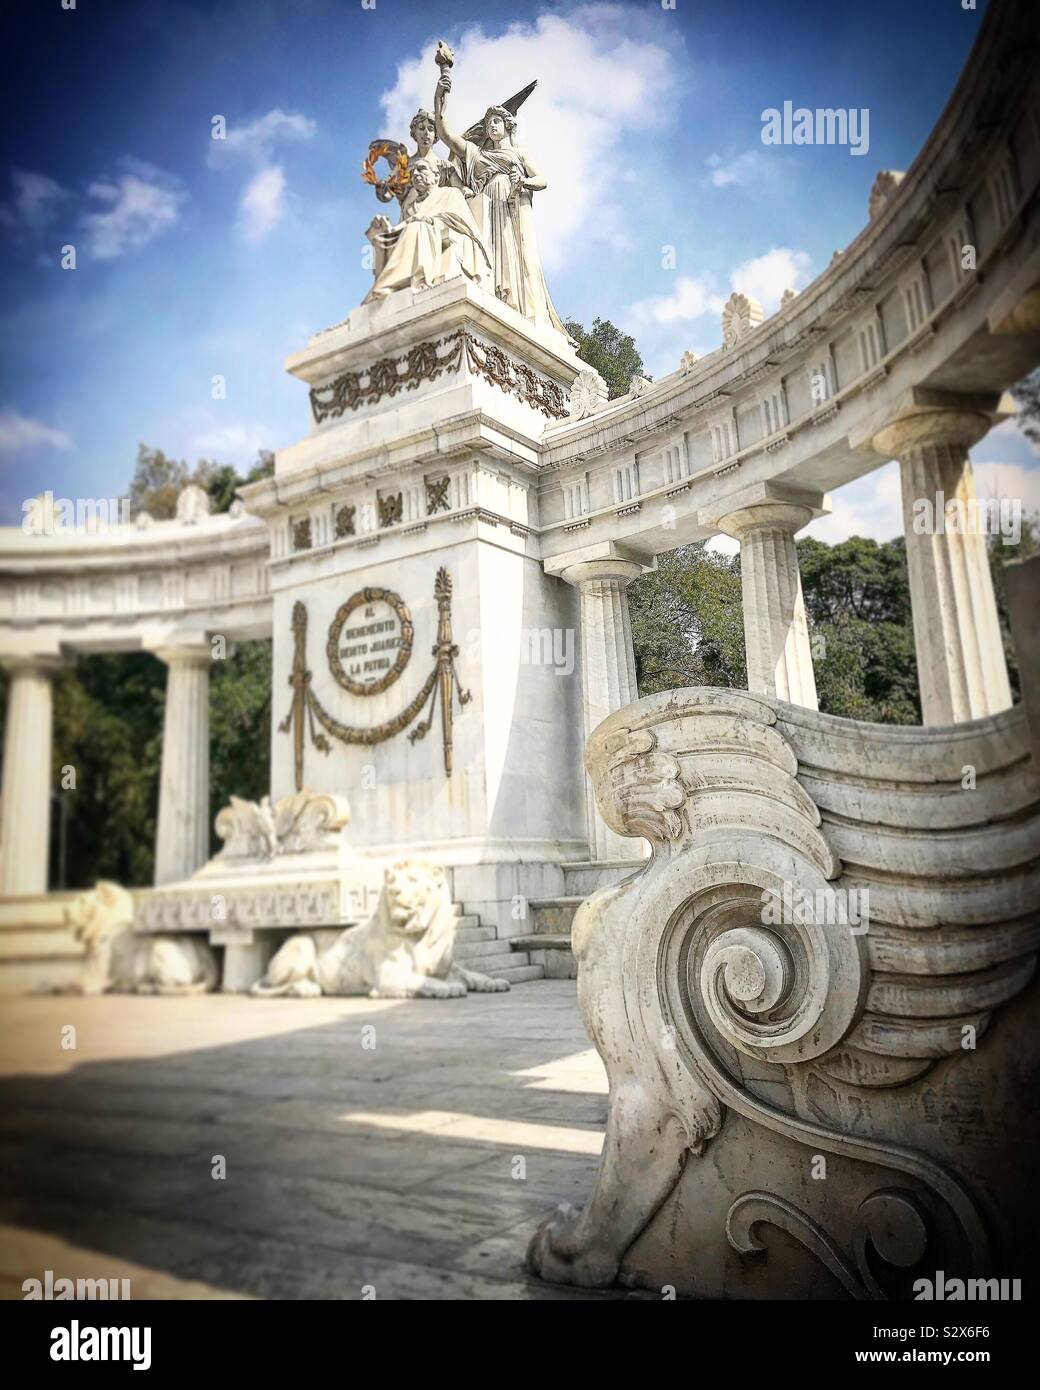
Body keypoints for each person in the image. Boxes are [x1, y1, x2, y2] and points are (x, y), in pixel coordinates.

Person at [433, 70, 567, 334]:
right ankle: (490, 294)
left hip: (510, 207)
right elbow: (446, 134)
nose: (491, 126)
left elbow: (542, 180)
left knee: (512, 252)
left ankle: (513, 302)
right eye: (489, 123)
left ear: (507, 125)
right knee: (487, 252)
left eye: (496, 121)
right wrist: (441, 93)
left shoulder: (518, 154)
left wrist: (523, 183)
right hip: (485, 208)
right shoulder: (476, 153)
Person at [364, 159, 491, 302]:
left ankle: (401, 283)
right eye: (413, 172)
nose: (416, 174)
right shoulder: (410, 206)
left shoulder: (450, 193)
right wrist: (389, 229)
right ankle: (384, 290)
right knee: (381, 239)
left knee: (418, 228)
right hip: (418, 234)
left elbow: (461, 221)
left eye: (422, 169)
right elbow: (404, 228)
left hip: (438, 233)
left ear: (436, 175)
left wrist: (431, 221)